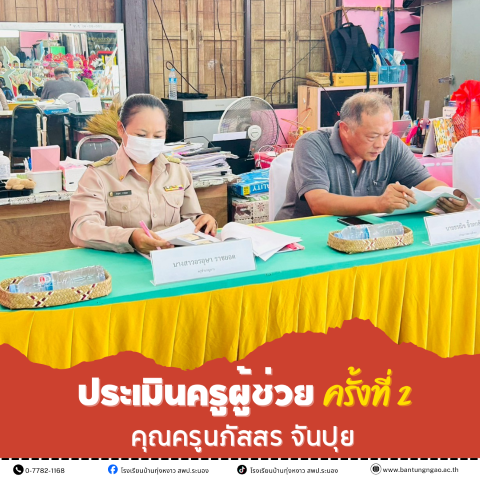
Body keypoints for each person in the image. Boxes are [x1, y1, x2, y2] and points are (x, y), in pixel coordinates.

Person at [276, 92, 468, 220]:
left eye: (386, 135)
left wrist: (449, 195)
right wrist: (379, 203)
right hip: (301, 237)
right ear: (345, 129)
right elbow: (319, 203)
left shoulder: (392, 145)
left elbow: (426, 183)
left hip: (360, 233)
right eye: (372, 136)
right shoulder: (312, 144)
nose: (380, 144)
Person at [70, 94, 217, 254]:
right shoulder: (98, 176)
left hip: (172, 260)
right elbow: (82, 228)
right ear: (121, 129)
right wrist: (130, 238)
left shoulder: (177, 171)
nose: (149, 141)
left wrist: (204, 221)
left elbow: (192, 220)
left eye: (158, 136)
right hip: (126, 262)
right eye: (141, 135)